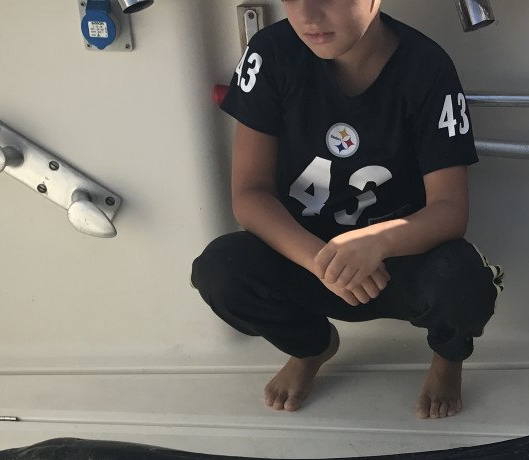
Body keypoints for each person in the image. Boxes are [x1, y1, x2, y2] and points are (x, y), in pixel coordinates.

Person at [192, 0, 502, 418]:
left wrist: (376, 242)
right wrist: (322, 261)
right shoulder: (271, 52)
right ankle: (311, 347)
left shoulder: (427, 67)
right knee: (219, 270)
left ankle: (448, 358)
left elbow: (450, 209)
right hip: (306, 257)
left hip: (395, 262)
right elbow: (250, 193)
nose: (308, 14)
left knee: (464, 280)